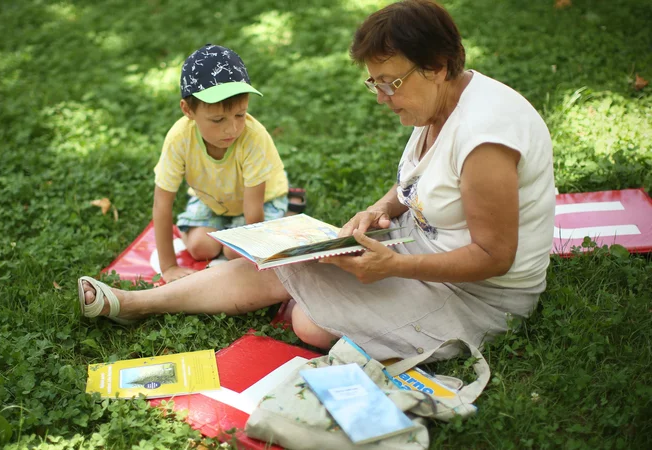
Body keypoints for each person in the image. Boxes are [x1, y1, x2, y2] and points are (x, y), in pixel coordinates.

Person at [77, 0, 556, 362]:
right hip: (420, 252)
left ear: (436, 66)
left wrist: (392, 267)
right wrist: (381, 210)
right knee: (284, 263)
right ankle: (137, 302)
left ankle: (298, 302)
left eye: (390, 82)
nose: (382, 97)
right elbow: (419, 181)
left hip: (480, 299)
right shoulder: (440, 103)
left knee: (308, 323)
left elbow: (496, 257)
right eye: (375, 83)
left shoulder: (485, 140)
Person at [153, 44, 290, 283]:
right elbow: (162, 203)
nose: (233, 128)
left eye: (240, 114)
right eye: (218, 119)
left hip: (261, 200)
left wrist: (252, 251)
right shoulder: (179, 139)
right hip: (211, 199)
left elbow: (253, 210)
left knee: (234, 254)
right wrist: (169, 267)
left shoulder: (253, 137)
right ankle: (220, 233)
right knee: (199, 248)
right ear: (188, 110)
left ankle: (285, 212)